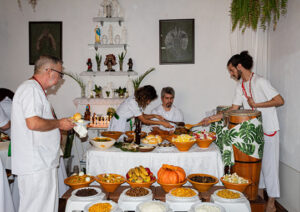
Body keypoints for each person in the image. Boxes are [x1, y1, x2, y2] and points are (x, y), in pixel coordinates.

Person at [202, 51, 284, 212]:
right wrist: (213, 118)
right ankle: (258, 198)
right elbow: (233, 109)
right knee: (256, 167)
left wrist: (257, 104)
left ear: (239, 66)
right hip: (253, 133)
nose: (231, 74)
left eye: (232, 70)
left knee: (270, 167)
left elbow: (279, 100)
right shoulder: (240, 86)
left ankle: (272, 203)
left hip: (269, 130)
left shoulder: (261, 81)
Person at [11, 55, 75, 212]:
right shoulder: (30, 89)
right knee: (36, 208)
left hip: (41, 162)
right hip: (35, 164)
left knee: (46, 207)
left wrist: (59, 124)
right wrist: (59, 123)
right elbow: (33, 123)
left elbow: (41, 123)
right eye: (60, 73)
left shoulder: (37, 90)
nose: (61, 78)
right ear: (48, 70)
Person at [109, 85, 173, 132]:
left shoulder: (137, 99)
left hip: (125, 122)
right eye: (149, 99)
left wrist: (155, 116)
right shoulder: (133, 102)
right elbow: (144, 120)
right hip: (119, 123)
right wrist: (162, 123)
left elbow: (142, 116)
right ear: (145, 96)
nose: (148, 102)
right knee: (118, 142)